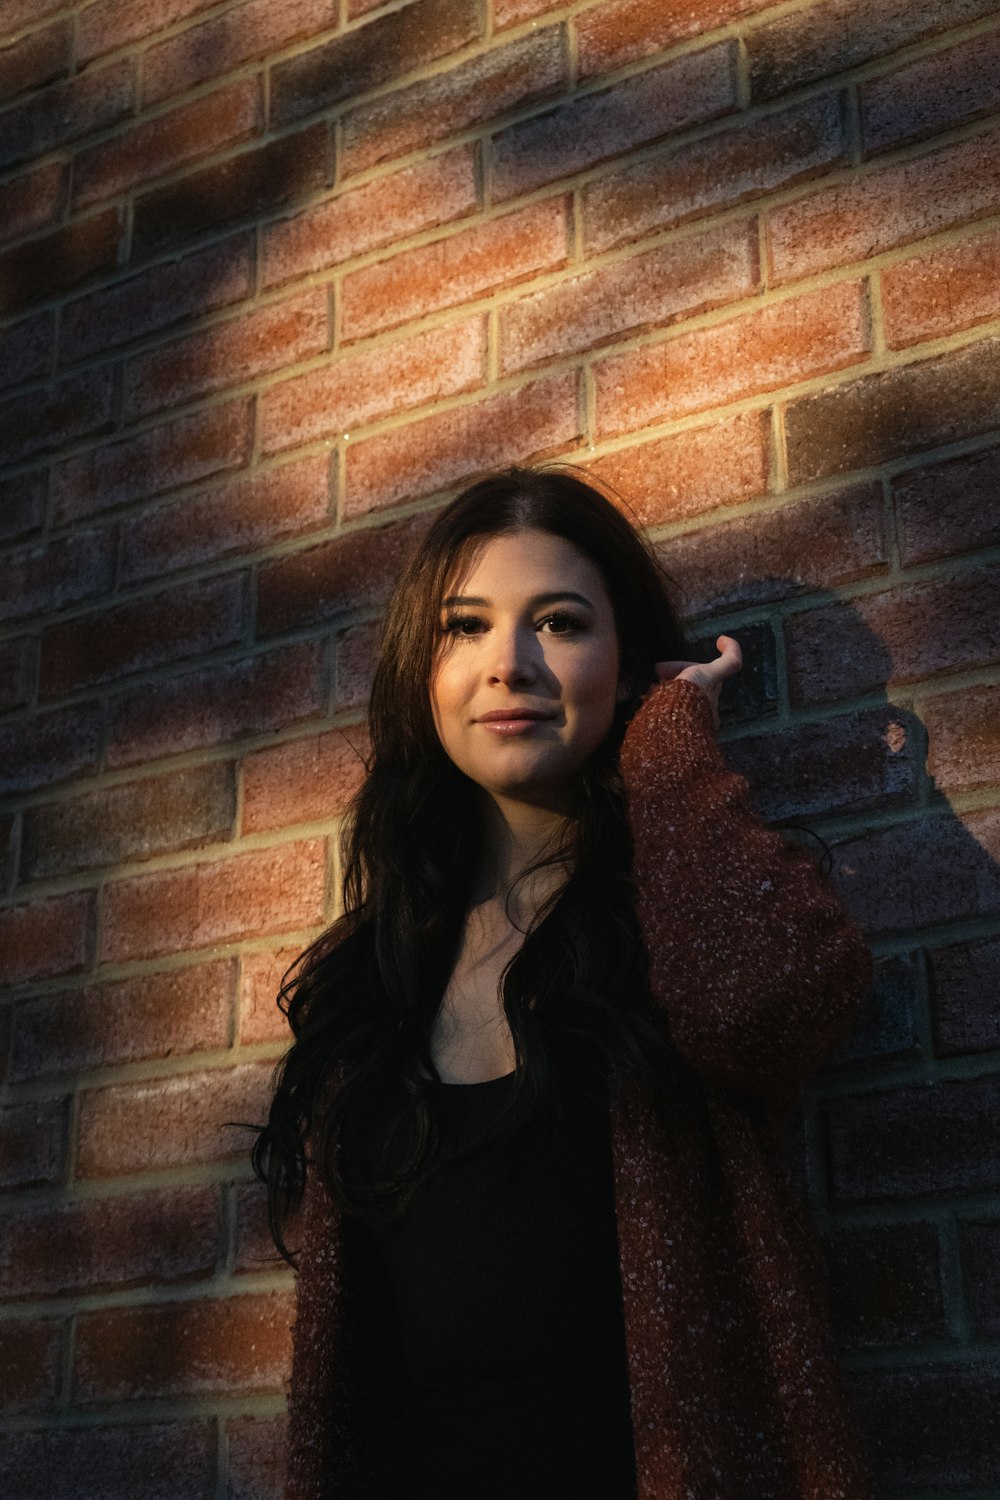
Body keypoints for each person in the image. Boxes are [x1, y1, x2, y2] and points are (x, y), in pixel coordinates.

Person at [253, 466, 876, 1500]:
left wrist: (671, 746)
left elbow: (771, 1006)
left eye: (558, 622)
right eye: (464, 627)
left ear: (624, 659)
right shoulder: (372, 983)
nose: (509, 664)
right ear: (423, 670)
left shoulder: (674, 912)